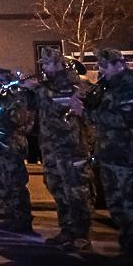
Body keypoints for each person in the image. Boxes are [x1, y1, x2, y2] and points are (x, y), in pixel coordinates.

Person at [71, 48, 133, 266]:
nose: (101, 70)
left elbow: (127, 118)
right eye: (99, 66)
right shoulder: (109, 89)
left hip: (128, 158)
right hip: (109, 156)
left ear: (120, 65)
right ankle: (129, 251)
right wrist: (84, 101)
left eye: (105, 66)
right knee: (117, 208)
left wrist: (86, 112)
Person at [21, 48, 93, 250]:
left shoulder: (74, 84)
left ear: (60, 64)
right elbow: (33, 109)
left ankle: (81, 234)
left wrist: (37, 88)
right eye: (43, 64)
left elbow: (62, 106)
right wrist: (26, 91)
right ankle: (67, 229)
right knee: (57, 188)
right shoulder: (47, 86)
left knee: (76, 191)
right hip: (50, 147)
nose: (43, 67)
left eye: (47, 64)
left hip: (72, 148)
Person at [0, 68, 36, 234]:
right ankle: (10, 215)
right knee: (2, 185)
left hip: (9, 148)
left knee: (14, 185)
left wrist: (8, 98)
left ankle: (21, 219)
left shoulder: (17, 98)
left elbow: (18, 120)